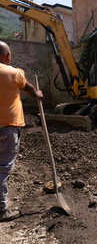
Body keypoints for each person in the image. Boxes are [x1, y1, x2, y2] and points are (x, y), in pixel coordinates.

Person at [0, 41, 43, 222]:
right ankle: (1, 211)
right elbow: (29, 89)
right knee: (2, 170)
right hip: (6, 130)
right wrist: (39, 94)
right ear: (8, 56)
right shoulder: (14, 73)